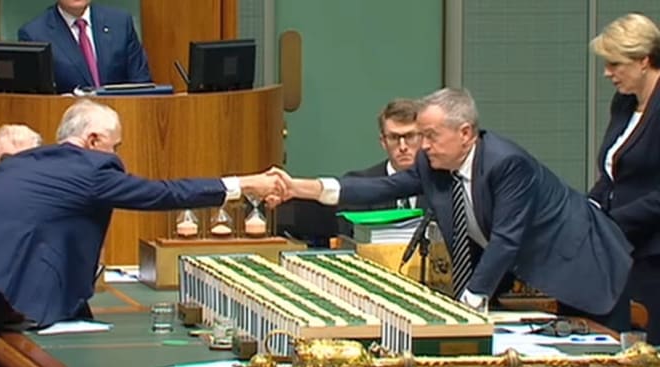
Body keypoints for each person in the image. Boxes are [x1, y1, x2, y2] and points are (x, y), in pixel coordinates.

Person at [0, 99, 281, 367]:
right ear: (94, 140)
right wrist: (242, 185)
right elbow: (164, 194)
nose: (117, 155)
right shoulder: (92, 170)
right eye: (116, 145)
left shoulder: (25, 162)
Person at [269, 88, 633, 331]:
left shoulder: (506, 163)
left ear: (465, 133)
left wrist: (467, 307)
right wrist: (305, 187)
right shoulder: (434, 164)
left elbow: (505, 239)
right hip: (538, 271)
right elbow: (383, 186)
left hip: (588, 263)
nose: (422, 146)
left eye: (430, 136)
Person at [589, 13, 660, 343]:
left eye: (615, 64)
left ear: (644, 60)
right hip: (621, 249)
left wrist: (612, 222)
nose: (608, 73)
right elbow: (612, 172)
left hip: (652, 253)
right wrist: (587, 209)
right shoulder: (624, 103)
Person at [18, 0, 151, 93]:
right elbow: (39, 98)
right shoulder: (34, 34)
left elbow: (142, 84)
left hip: (122, 117)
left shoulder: (120, 22)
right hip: (69, 123)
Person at [338, 98, 425, 236]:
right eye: (394, 138)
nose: (402, 147)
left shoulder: (440, 185)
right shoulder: (361, 184)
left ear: (423, 138)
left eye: (410, 136)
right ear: (383, 142)